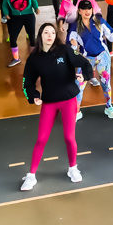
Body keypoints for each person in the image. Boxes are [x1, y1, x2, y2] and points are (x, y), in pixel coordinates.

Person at [19, 23, 93, 191]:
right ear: (40, 36)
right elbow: (27, 82)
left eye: (52, 32)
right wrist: (33, 96)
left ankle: (73, 168)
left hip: (68, 100)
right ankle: (31, 175)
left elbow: (84, 63)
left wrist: (84, 76)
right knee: (41, 139)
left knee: (69, 137)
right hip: (49, 102)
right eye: (46, 32)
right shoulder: (34, 58)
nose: (49, 35)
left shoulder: (65, 50)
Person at [69, 0, 113, 119]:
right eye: (84, 9)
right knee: (79, 85)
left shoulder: (99, 21)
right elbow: (70, 45)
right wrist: (73, 44)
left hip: (103, 56)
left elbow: (110, 34)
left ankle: (109, 107)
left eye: (89, 8)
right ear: (79, 11)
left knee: (106, 83)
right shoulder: (75, 26)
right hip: (86, 59)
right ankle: (76, 111)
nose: (87, 11)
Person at [2, 0, 40, 68]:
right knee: (13, 38)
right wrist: (6, 13)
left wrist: (36, 8)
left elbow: (33, 0)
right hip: (15, 17)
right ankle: (16, 58)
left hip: (29, 15)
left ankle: (33, 57)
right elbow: (5, 4)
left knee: (32, 37)